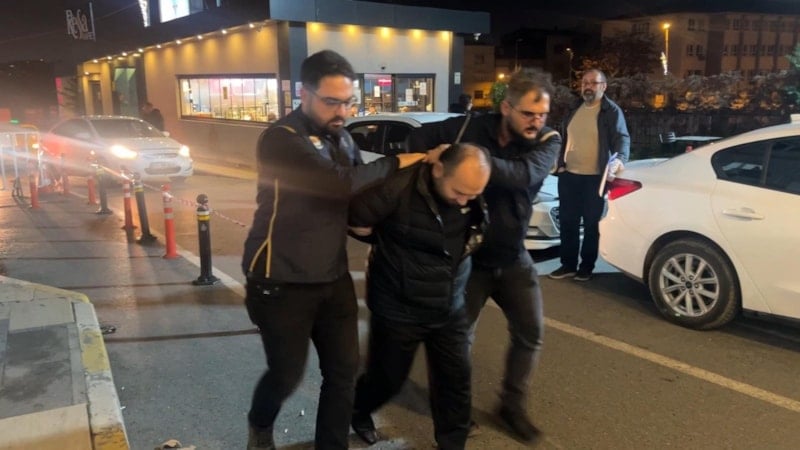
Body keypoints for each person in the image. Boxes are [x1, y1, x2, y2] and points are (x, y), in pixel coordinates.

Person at [241, 49, 425, 450]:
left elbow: (358, 196)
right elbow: (337, 184)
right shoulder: (281, 139)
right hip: (279, 278)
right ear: (303, 94)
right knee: (286, 375)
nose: (342, 111)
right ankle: (260, 424)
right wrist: (398, 161)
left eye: (348, 102)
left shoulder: (342, 137)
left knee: (343, 373)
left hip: (332, 276)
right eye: (331, 102)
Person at [409, 68, 562, 443]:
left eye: (542, 114)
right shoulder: (469, 127)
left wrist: (466, 160)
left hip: (513, 258)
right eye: (529, 113)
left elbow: (522, 175)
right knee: (456, 342)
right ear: (506, 107)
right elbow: (417, 138)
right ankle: (452, 411)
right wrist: (438, 165)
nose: (537, 121)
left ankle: (511, 406)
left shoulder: (548, 140)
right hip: (468, 257)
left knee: (530, 333)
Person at [348, 143, 491, 450]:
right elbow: (355, 219)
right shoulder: (399, 186)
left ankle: (452, 443)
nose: (465, 200)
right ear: (438, 169)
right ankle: (358, 410)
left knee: (456, 381)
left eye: (473, 194)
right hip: (399, 307)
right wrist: (389, 242)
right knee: (387, 379)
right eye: (459, 192)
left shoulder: (471, 189)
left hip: (449, 303)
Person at [548, 69, 629, 282]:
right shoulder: (575, 108)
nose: (588, 87)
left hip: (595, 178)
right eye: (585, 82)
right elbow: (565, 138)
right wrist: (561, 165)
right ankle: (568, 265)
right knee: (568, 222)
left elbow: (622, 138)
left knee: (592, 224)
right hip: (569, 176)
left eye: (593, 83)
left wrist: (620, 159)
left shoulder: (610, 111)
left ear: (604, 86)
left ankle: (586, 266)